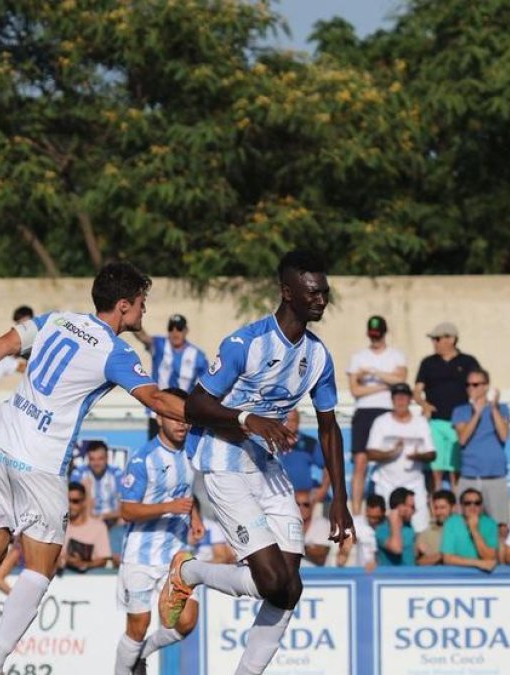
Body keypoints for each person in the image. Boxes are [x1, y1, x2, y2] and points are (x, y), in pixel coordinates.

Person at [0, 262, 186, 675]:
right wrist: (218, 414)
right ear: (123, 306)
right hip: (40, 462)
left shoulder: (58, 320)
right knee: (41, 566)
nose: (144, 311)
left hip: (1, 443)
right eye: (142, 303)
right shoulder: (117, 351)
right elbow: (157, 400)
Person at [159, 250, 353, 675]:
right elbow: (194, 405)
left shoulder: (319, 357)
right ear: (288, 292)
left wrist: (341, 498)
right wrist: (249, 419)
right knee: (271, 581)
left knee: (289, 589)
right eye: (313, 292)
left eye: (325, 292)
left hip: (267, 469)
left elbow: (329, 428)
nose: (322, 299)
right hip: (222, 463)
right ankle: (189, 572)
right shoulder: (244, 344)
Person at [114, 387, 202, 675]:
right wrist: (170, 507)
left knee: (187, 620)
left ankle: (143, 656)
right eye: (173, 416)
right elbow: (126, 511)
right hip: (140, 556)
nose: (181, 423)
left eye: (184, 417)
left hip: (174, 556)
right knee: (138, 626)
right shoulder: (143, 459)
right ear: (158, 416)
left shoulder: (193, 451)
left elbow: (186, 494)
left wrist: (195, 514)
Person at [346, 315, 408, 515]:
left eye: (378, 335)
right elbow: (355, 390)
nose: (375, 339)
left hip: (387, 411)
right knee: (360, 463)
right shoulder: (358, 357)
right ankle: (356, 512)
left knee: (390, 459)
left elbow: (400, 381)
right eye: (372, 335)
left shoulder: (396, 356)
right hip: (364, 411)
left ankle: (391, 509)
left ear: (384, 333)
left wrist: (373, 373)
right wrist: (384, 384)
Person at [366, 383, 434, 533]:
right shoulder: (381, 422)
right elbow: (370, 453)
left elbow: (431, 454)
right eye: (397, 397)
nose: (400, 401)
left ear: (410, 399)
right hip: (386, 484)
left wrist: (417, 456)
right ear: (392, 400)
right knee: (385, 529)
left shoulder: (421, 423)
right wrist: (391, 453)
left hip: (414, 486)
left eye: (404, 397)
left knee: (419, 529)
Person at [450, 369, 510, 522]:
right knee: (465, 524)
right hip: (470, 476)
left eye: (476, 384)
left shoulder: (501, 408)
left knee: (499, 525)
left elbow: (504, 435)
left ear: (486, 386)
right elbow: (463, 438)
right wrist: (476, 413)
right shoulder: (461, 411)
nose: (471, 388)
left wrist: (493, 408)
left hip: (496, 477)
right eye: (468, 385)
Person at [136, 314, 209, 439]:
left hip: (182, 414)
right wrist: (132, 317)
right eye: (171, 328)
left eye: (179, 328)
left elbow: (205, 388)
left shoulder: (198, 356)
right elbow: (143, 336)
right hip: (158, 413)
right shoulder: (160, 345)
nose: (175, 332)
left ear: (186, 331)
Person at [79, 440, 124, 559]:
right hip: (89, 524)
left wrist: (104, 517)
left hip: (113, 523)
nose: (96, 463)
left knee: (122, 522)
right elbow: (77, 508)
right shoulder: (80, 473)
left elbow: (123, 509)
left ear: (107, 458)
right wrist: (87, 492)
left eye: (100, 459)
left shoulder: (117, 474)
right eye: (92, 459)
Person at [440, 488, 498, 572]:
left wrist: (474, 530)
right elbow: (448, 558)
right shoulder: (451, 522)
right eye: (467, 503)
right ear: (461, 506)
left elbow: (489, 557)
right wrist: (478, 563)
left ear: (481, 506)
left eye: (477, 503)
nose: (472, 506)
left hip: (483, 576)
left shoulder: (490, 524)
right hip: (457, 574)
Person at [62, 483, 113, 573]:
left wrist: (83, 564)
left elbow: (103, 559)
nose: (70, 505)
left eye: (75, 501)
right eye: (67, 501)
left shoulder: (98, 527)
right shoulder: (58, 525)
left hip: (89, 578)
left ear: (84, 502)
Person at [280, 409, 327, 504]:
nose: (289, 424)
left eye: (293, 420)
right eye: (286, 421)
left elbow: (328, 467)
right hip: (278, 499)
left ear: (298, 422)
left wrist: (323, 489)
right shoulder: (270, 443)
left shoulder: (310, 443)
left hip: (304, 501)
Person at [374, 487, 418, 566]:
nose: (415, 510)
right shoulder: (382, 529)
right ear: (401, 507)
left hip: (410, 577)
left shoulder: (409, 527)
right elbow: (396, 549)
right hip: (392, 577)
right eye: (412, 507)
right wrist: (394, 522)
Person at [417, 490, 456, 566]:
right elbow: (420, 562)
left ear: (453, 508)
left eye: (442, 508)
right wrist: (443, 555)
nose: (438, 512)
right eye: (436, 508)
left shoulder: (463, 530)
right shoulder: (426, 534)